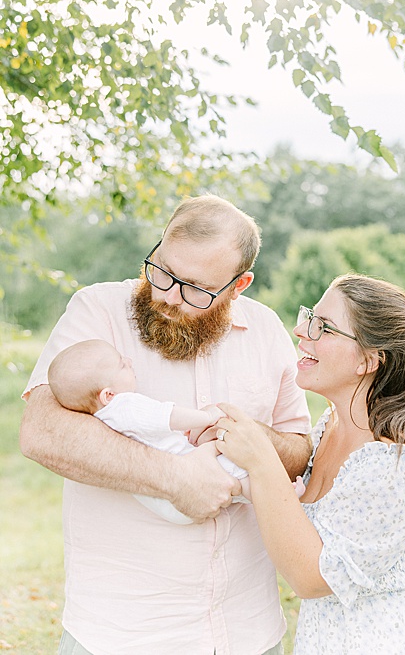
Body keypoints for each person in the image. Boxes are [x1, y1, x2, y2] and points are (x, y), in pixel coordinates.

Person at [20, 195, 312, 655]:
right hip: (119, 633)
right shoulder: (97, 311)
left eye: (195, 289)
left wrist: (251, 440)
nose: (167, 296)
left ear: (239, 286)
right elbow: (42, 432)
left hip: (249, 632)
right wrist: (174, 478)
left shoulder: (268, 330)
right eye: (163, 270)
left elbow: (299, 453)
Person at [213, 274, 405, 654]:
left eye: (324, 327)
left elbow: (311, 577)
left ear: (368, 359)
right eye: (310, 316)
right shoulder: (333, 424)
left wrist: (262, 461)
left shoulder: (399, 463)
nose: (301, 330)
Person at [47, 339, 308, 524]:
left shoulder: (103, 418)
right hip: (184, 480)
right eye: (121, 365)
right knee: (236, 469)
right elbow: (167, 416)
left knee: (236, 486)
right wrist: (206, 416)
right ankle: (282, 496)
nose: (128, 361)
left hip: (165, 505)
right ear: (108, 394)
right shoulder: (124, 404)